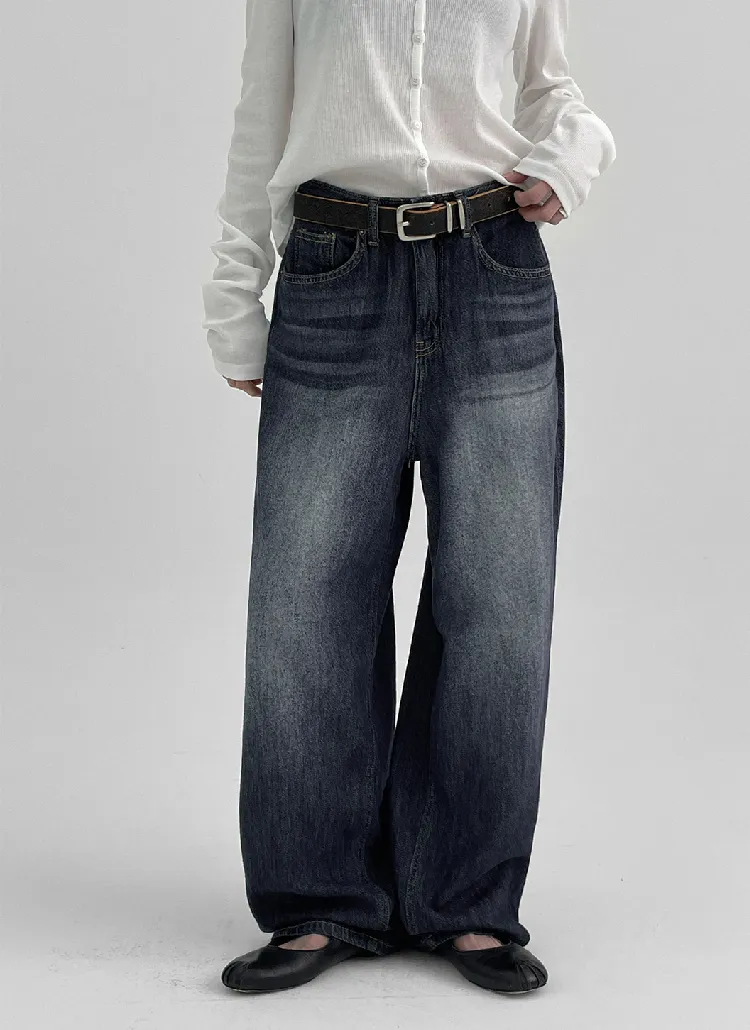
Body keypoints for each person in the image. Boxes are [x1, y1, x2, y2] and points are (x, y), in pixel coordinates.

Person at [202, 0, 615, 996]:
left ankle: (464, 899)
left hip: (493, 270)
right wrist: (234, 292)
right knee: (306, 601)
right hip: (334, 273)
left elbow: (554, 92)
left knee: (500, 602)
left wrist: (569, 160)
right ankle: (318, 899)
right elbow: (262, 113)